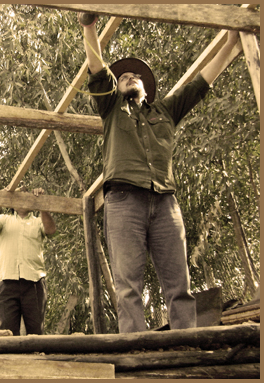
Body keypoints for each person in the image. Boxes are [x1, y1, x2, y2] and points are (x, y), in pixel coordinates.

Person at [79, 13, 240, 333]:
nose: (126, 77)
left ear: (145, 88)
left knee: (179, 286)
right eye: (121, 75)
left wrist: (232, 44)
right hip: (124, 200)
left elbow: (202, 81)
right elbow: (97, 66)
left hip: (166, 203)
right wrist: (89, 27)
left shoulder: (166, 111)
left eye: (132, 76)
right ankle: (136, 354)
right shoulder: (111, 108)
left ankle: (186, 345)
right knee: (128, 287)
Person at [0, 186, 56, 336]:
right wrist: (0, 200)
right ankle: (8, 360)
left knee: (36, 333)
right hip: (8, 282)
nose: (22, 200)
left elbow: (50, 230)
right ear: (12, 203)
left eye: (26, 196)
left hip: (34, 283)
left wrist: (41, 204)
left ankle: (37, 359)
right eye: (18, 197)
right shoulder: (5, 219)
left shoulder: (37, 222)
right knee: (6, 333)